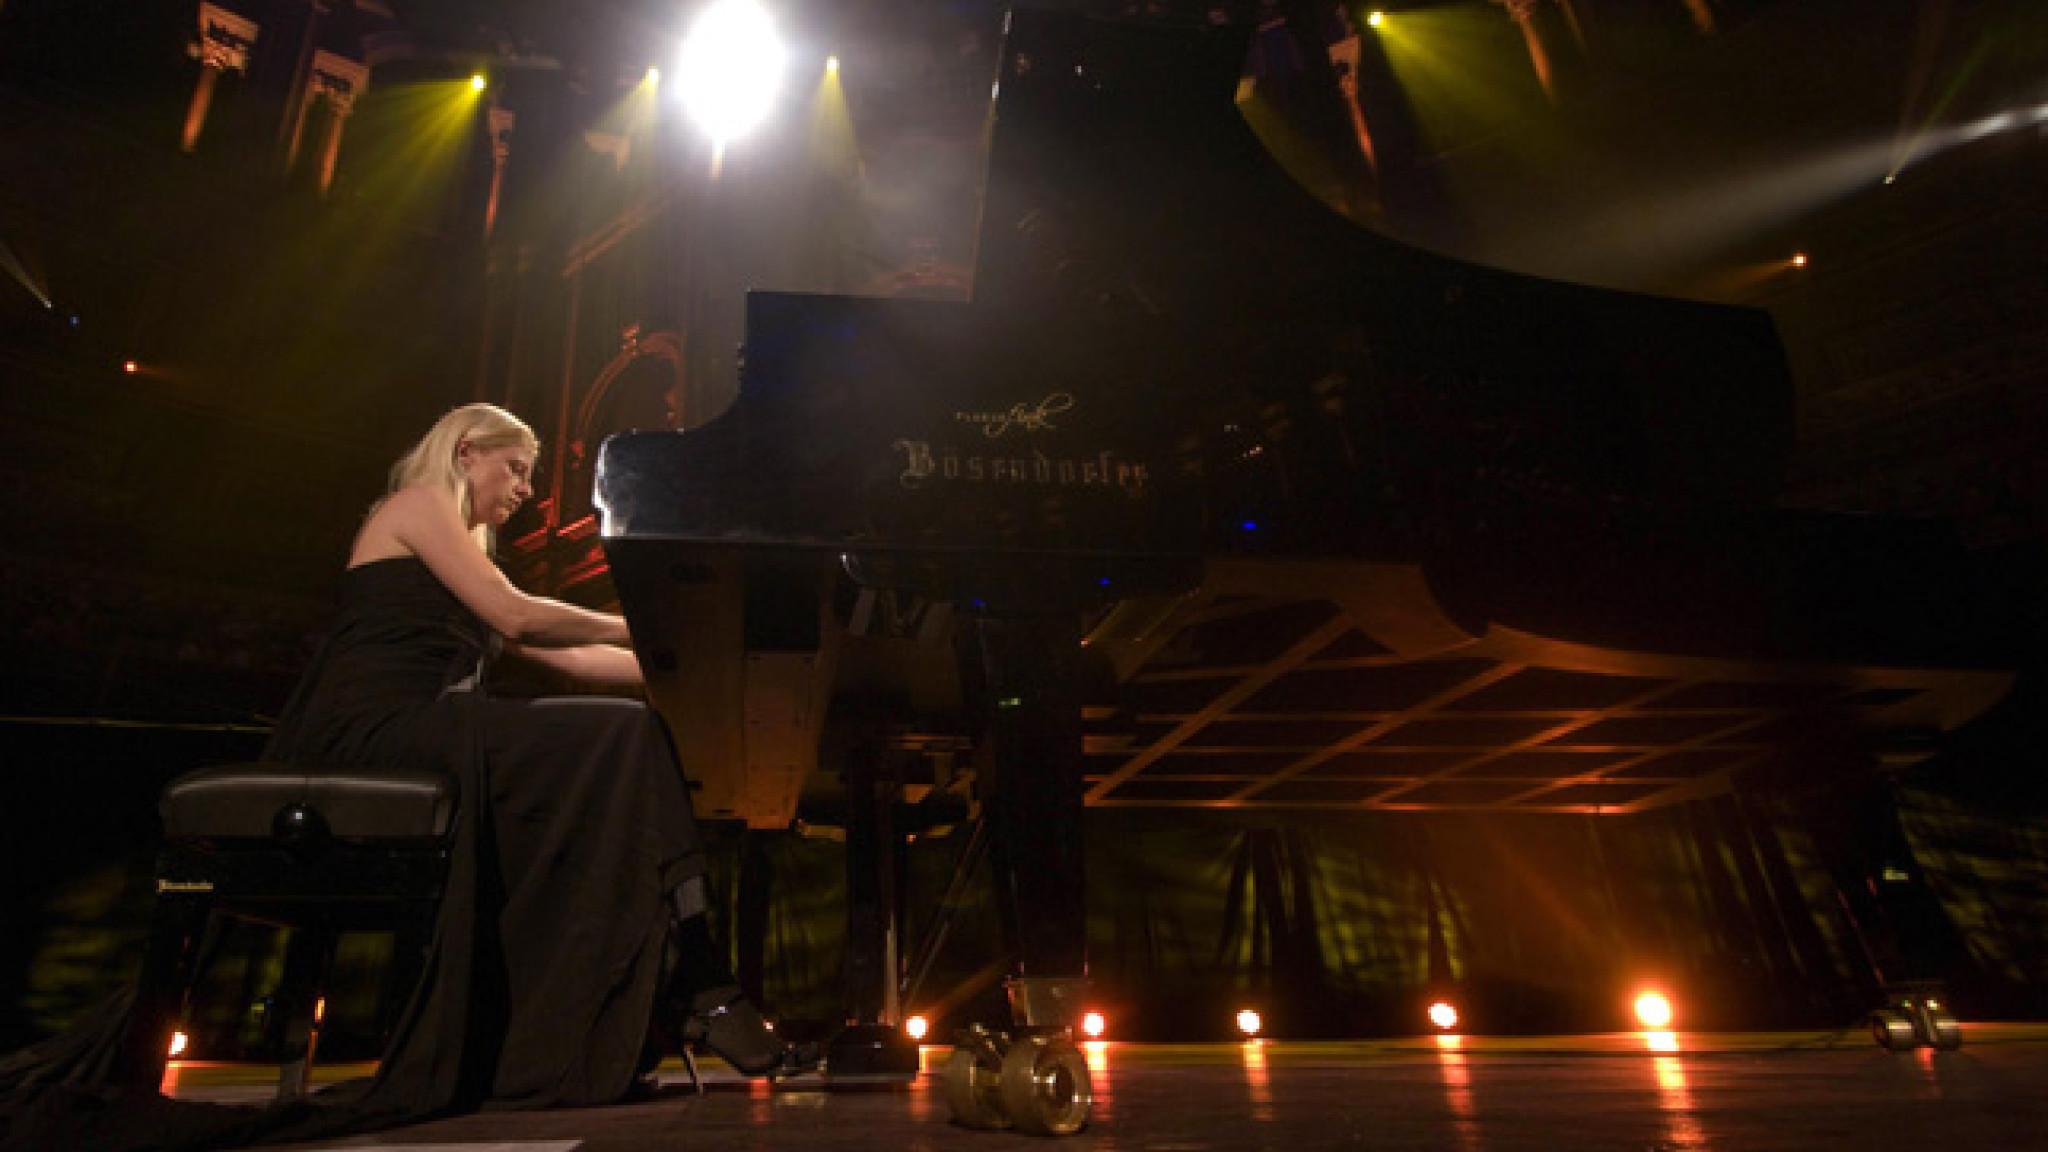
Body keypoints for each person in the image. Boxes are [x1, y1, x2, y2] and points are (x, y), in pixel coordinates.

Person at [1, 403, 809, 1151]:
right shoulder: (417, 506)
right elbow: (520, 616)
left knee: (628, 729)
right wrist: (646, 624)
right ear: (467, 451)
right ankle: (698, 986)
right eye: (516, 469)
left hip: (426, 727)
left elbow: (549, 651)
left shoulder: (464, 546)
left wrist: (678, 665)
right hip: (373, 728)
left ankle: (685, 987)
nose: (526, 490)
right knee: (618, 739)